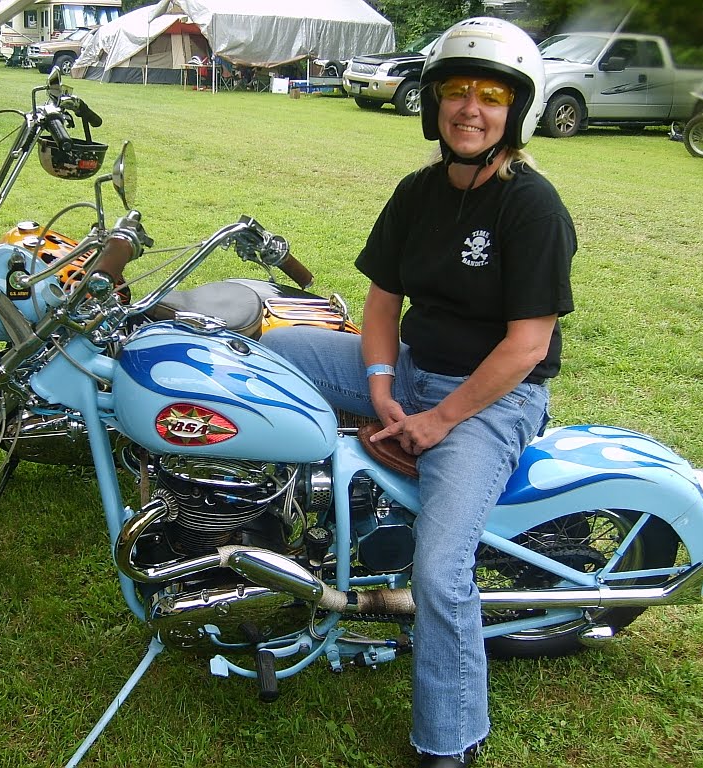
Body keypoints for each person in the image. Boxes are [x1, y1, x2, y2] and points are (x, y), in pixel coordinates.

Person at [261, 17, 576, 768]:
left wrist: (437, 421)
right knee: (272, 352)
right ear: (434, 103)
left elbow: (527, 346)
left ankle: (449, 739)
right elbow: (381, 304)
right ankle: (266, 519)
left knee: (439, 570)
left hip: (493, 398)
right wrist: (379, 386)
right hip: (411, 369)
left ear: (516, 111)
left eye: (491, 95)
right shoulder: (418, 191)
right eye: (457, 90)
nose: (471, 108)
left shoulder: (532, 207)